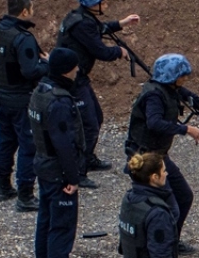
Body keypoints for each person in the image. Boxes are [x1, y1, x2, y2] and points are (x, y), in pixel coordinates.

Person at [123, 53, 199, 255]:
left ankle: (170, 241)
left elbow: (194, 99)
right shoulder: (154, 95)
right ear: (172, 76)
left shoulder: (170, 89)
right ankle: (158, 248)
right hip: (146, 158)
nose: (185, 79)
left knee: (184, 196)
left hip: (159, 155)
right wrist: (186, 130)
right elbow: (154, 123)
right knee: (169, 208)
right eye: (182, 75)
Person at [55, 0, 140, 184]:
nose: (107, 3)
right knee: (88, 125)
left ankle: (88, 158)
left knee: (97, 118)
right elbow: (100, 51)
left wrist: (121, 23)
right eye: (103, 2)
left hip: (79, 77)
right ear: (94, 5)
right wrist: (119, 51)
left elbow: (99, 28)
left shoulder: (82, 17)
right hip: (73, 81)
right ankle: (78, 171)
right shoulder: (82, 23)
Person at [29, 48, 90, 258]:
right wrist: (73, 177)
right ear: (67, 69)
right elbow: (64, 143)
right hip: (58, 171)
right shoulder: (61, 101)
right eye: (74, 67)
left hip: (43, 165)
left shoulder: (41, 90)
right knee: (62, 227)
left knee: (45, 220)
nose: (77, 71)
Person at [0, 0, 47, 212]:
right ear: (24, 11)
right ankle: (25, 195)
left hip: (0, 93)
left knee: (6, 139)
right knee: (28, 144)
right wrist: (49, 65)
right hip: (20, 97)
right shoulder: (22, 38)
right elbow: (30, 71)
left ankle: (3, 187)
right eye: (32, 9)